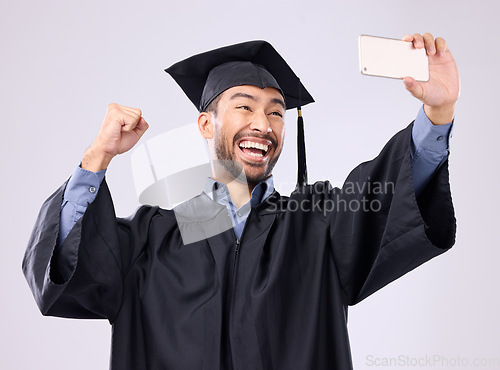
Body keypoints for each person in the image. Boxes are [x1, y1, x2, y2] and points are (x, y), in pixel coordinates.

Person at [23, 33, 458, 370]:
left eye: (274, 111)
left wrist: (437, 115)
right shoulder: (150, 239)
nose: (262, 124)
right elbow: (67, 267)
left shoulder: (317, 224)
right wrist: (97, 158)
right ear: (206, 125)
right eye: (243, 107)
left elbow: (384, 200)